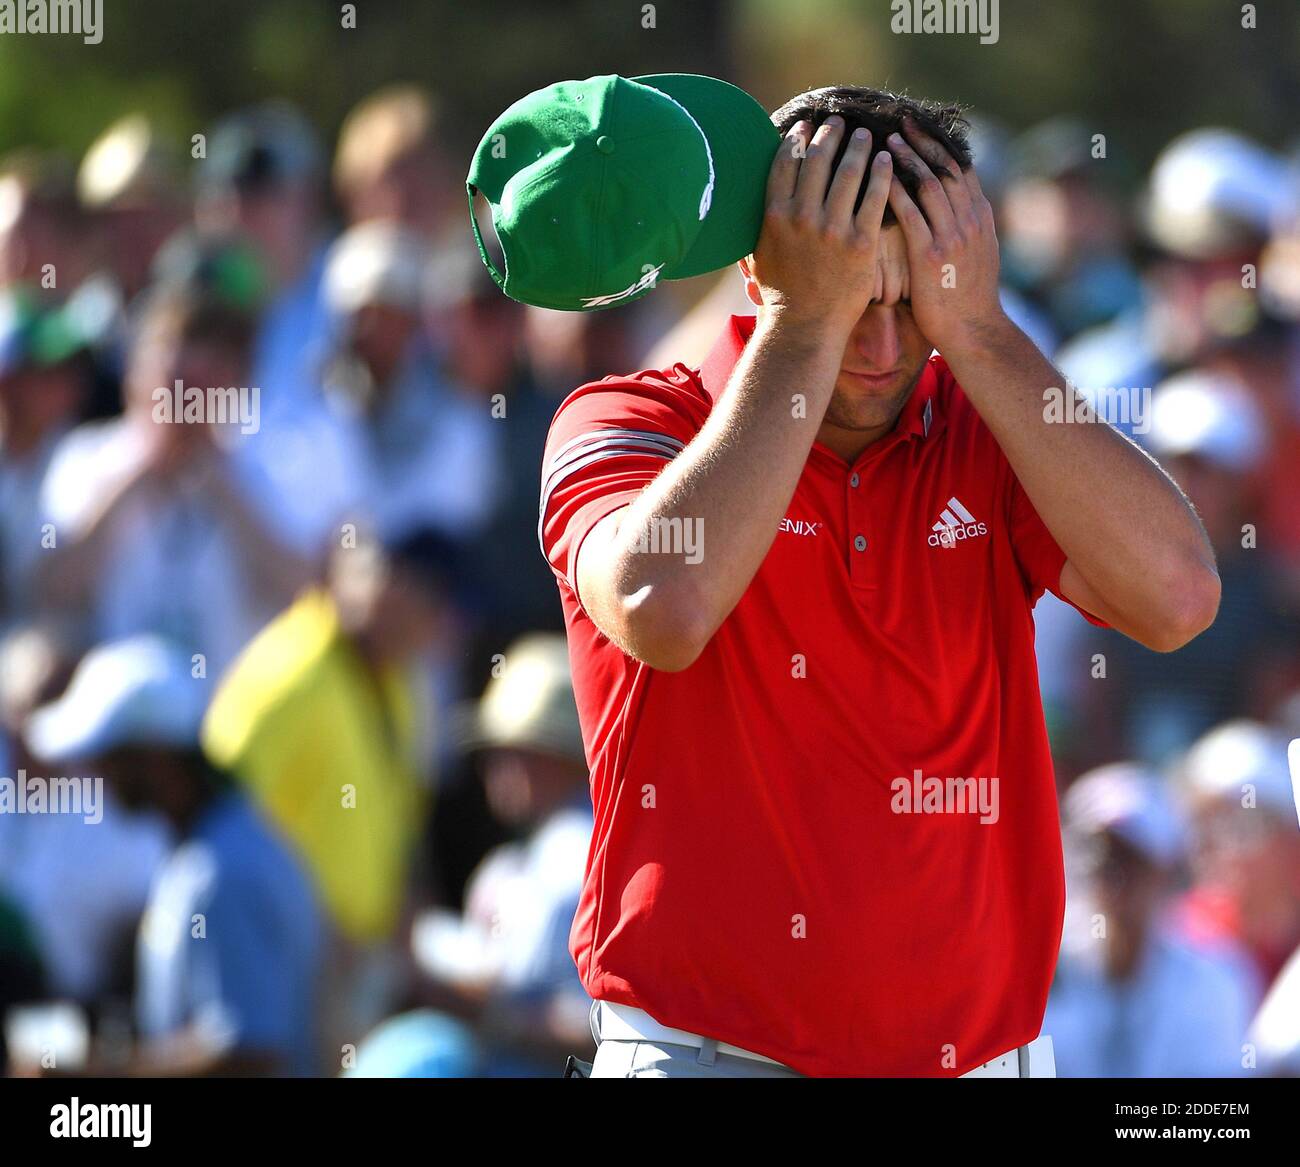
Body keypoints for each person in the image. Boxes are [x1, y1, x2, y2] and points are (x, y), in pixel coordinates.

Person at [528, 82, 1220, 1076]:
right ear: (761, 261)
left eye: (910, 302)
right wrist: (804, 325)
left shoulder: (987, 420)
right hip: (707, 1054)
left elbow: (1177, 598)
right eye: (850, 298)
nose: (883, 348)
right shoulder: (626, 419)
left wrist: (979, 330)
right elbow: (661, 605)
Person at [21, 636, 323, 1077]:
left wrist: (91, 1076)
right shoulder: (219, 846)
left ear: (155, 760)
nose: (96, 775)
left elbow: (251, 1053)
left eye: (108, 758)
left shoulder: (221, 871)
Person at [406, 633, 593, 1076]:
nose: (496, 768)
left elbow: (595, 1021)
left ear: (560, 755)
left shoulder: (574, 854)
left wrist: (487, 1015)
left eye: (516, 751)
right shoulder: (536, 854)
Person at [1045, 764, 1258, 1077]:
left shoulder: (1213, 982)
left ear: (1166, 872)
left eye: (1130, 859)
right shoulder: (1040, 980)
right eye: (1096, 853)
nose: (1110, 874)